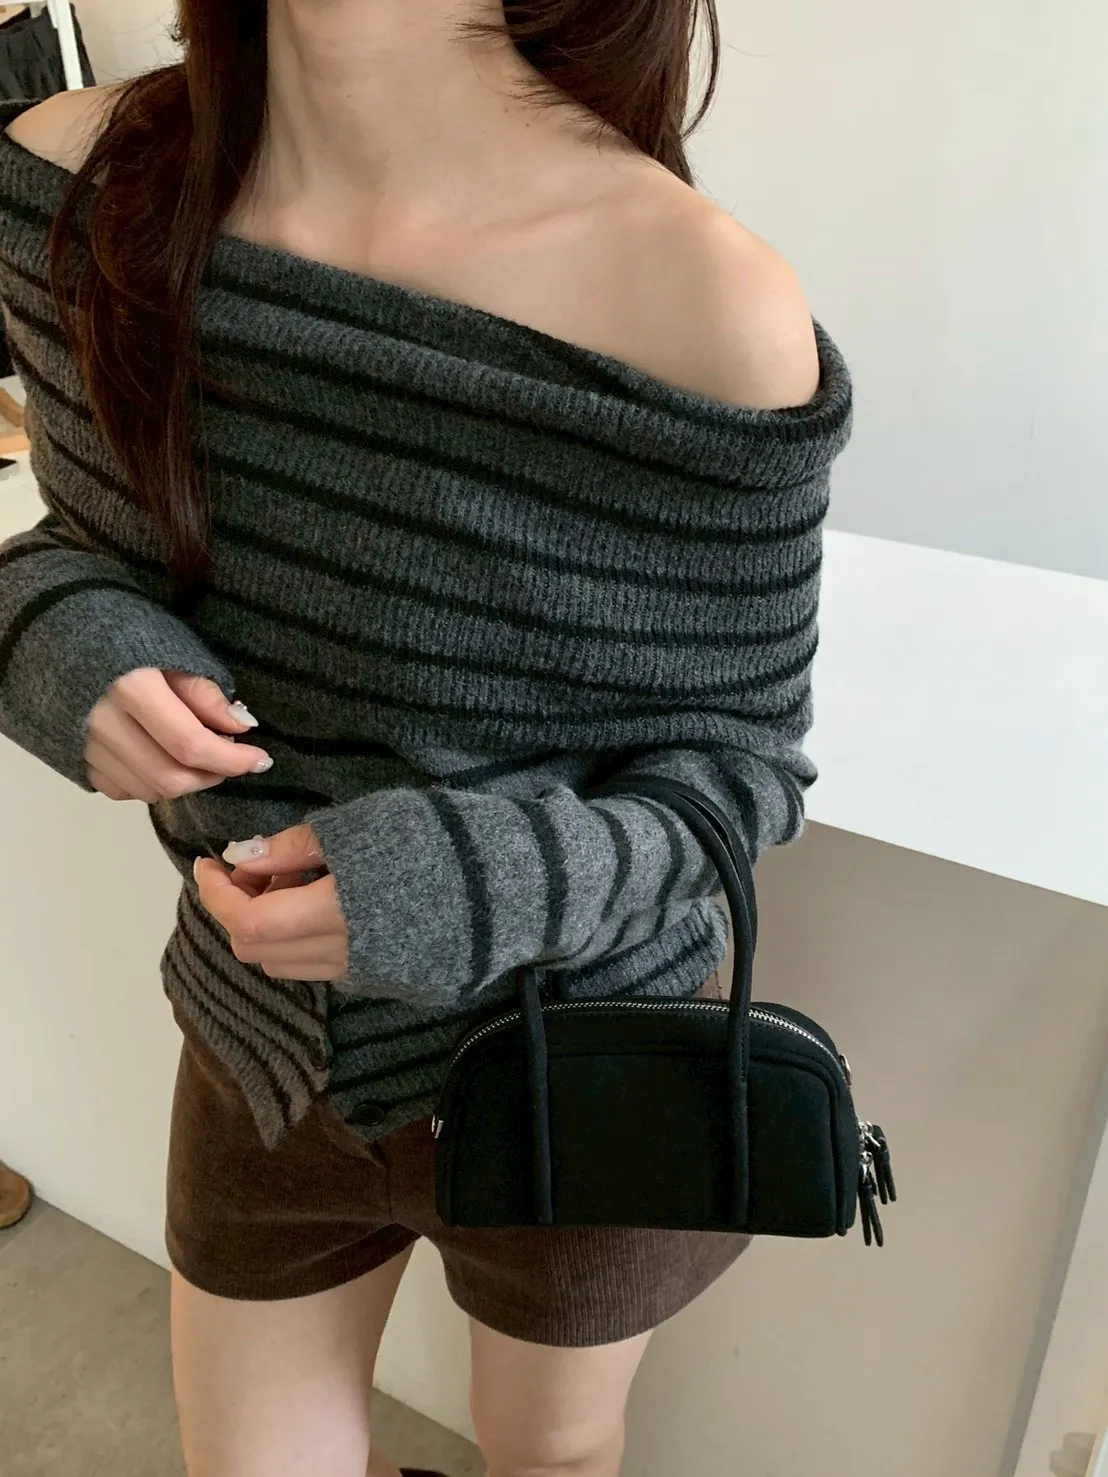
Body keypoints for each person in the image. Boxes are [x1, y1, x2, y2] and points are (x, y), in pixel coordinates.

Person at [0, 2, 852, 1474]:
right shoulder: (73, 192)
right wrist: (59, 642)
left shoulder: (700, 300)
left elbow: (743, 771)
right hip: (265, 1042)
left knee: (553, 1454)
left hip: (589, 1052)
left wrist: (469, 882)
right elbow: (76, 541)